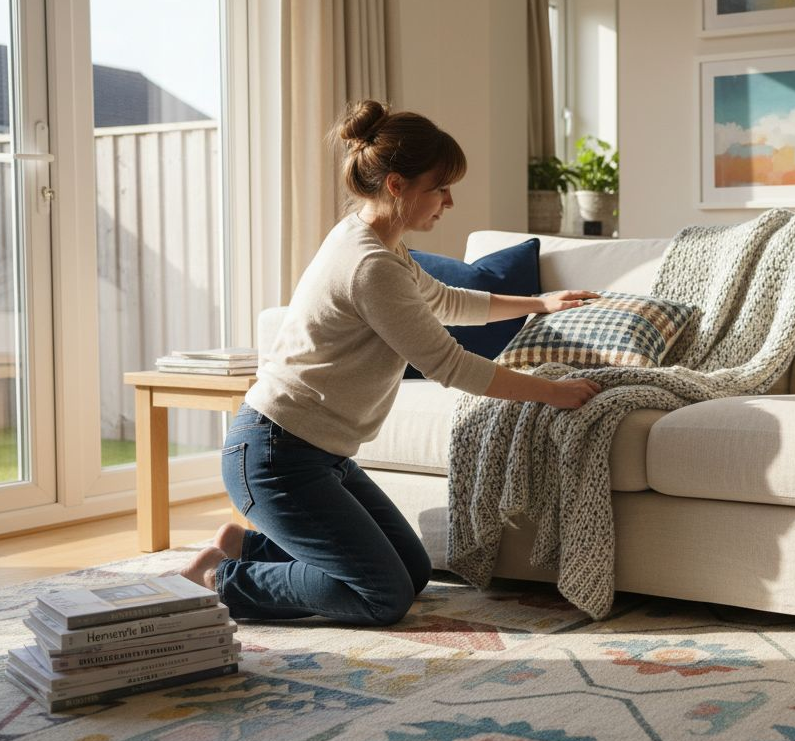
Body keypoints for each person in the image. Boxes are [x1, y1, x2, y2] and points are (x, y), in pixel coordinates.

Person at [178, 100, 602, 626]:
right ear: (397, 185)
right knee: (382, 595)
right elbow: (450, 365)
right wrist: (554, 391)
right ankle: (220, 577)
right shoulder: (370, 264)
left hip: (318, 456)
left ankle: (244, 546)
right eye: (439, 187)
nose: (449, 201)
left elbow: (446, 301)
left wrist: (538, 303)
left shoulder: (380, 242)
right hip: (275, 456)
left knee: (412, 570)